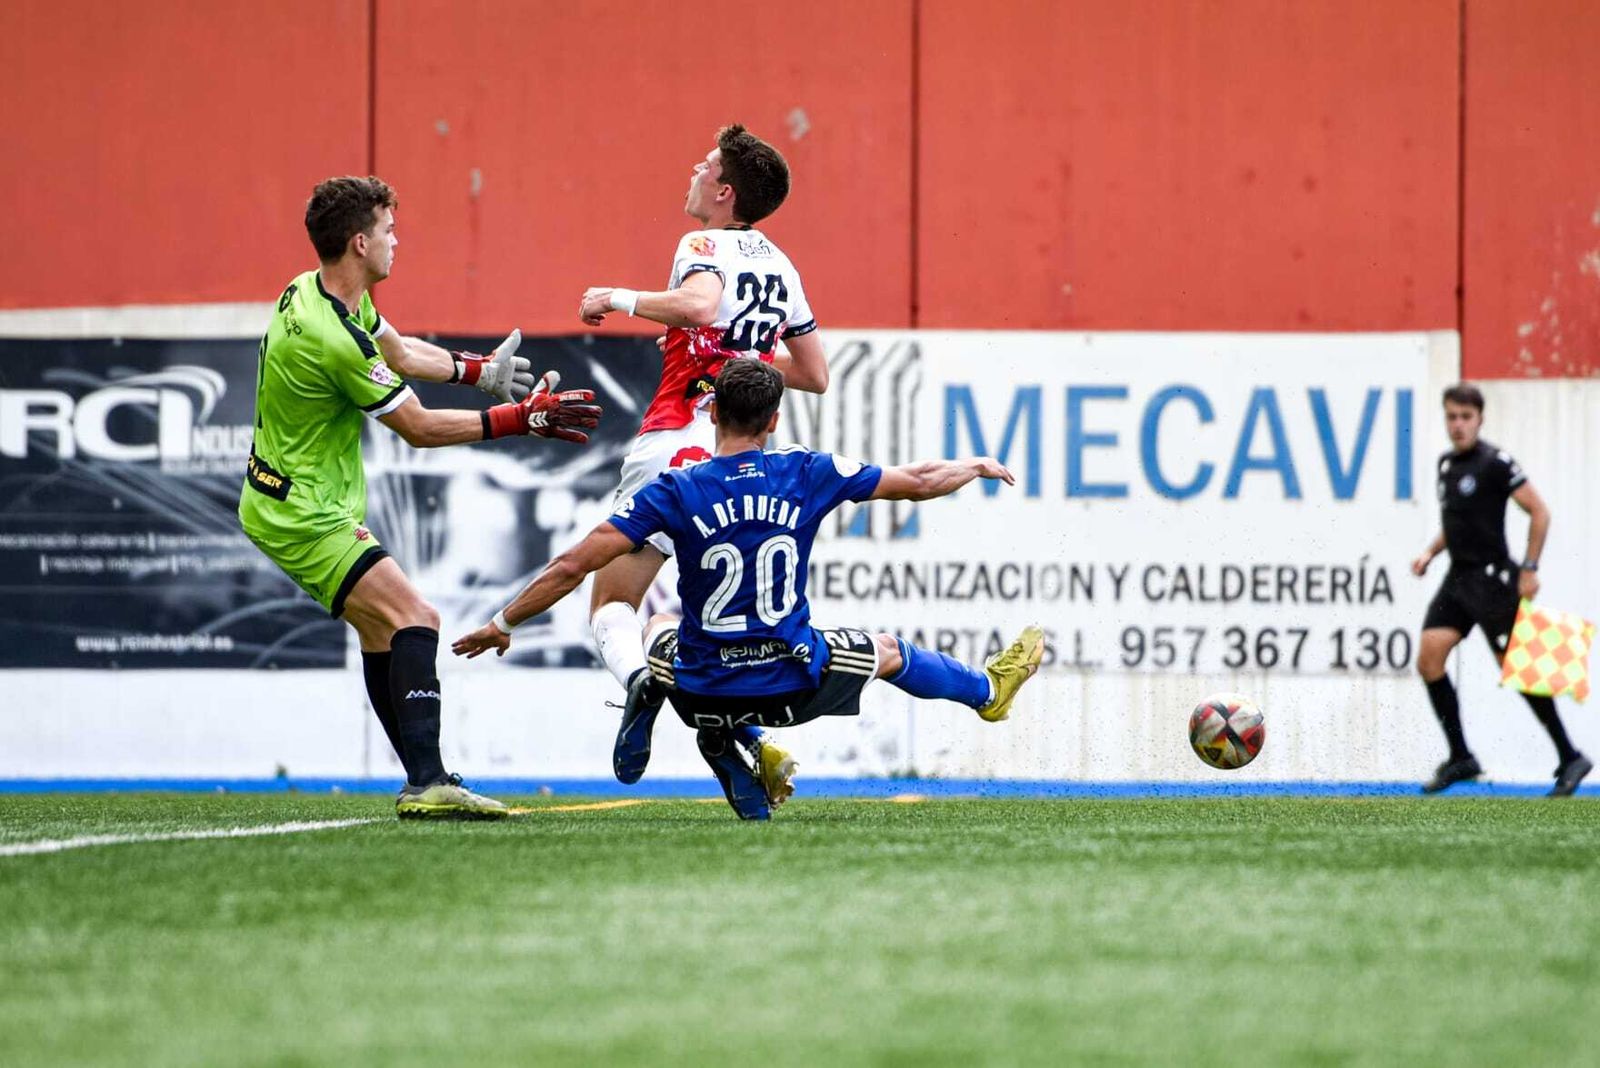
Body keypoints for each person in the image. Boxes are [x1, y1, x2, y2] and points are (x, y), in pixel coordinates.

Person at [452, 359, 1045, 820]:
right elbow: (916, 482)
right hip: (793, 680)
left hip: (705, 689)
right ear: (774, 420)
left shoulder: (674, 490)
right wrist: (971, 465)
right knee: (888, 651)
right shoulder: (807, 471)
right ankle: (987, 691)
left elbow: (570, 565)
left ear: (711, 414)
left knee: (654, 628)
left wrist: (502, 624)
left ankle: (702, 726)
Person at [240, 175, 602, 820]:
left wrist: (477, 371)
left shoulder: (312, 291)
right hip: (300, 510)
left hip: (295, 499)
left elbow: (400, 352)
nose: (396, 241)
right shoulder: (333, 338)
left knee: (386, 635)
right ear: (359, 242)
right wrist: (521, 420)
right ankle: (430, 781)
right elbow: (419, 428)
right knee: (418, 618)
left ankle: (422, 780)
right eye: (388, 231)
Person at [574, 124, 831, 794]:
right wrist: (740, 364)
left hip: (673, 440)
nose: (694, 167)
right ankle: (746, 737)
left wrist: (615, 297)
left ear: (724, 190)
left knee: (610, 604)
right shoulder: (784, 267)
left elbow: (698, 304)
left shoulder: (703, 242)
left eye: (707, 163)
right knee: (697, 620)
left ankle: (638, 687)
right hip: (730, 461)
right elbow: (815, 373)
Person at [1411, 382, 1590, 797]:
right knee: (1429, 658)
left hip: (1492, 580)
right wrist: (1430, 553)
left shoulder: (1495, 462)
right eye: (1451, 417)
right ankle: (1460, 756)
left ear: (1480, 419)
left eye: (1465, 417)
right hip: (1457, 577)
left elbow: (1539, 512)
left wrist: (1529, 568)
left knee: (1517, 669)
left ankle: (1570, 755)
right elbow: (1457, 521)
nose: (1458, 425)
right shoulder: (1446, 465)